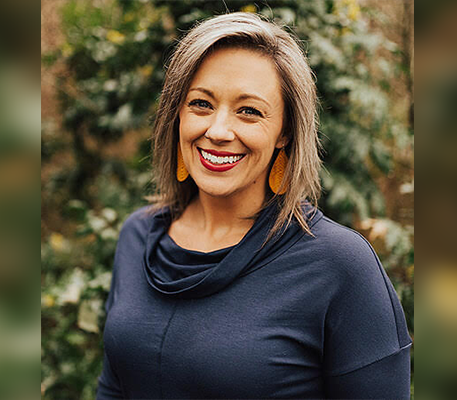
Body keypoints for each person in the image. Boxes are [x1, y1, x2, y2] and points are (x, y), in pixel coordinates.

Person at [96, 12, 411, 399]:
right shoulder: (138, 235)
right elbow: (114, 388)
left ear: (285, 133)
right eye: (201, 104)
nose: (218, 131)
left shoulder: (341, 266)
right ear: (176, 114)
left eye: (249, 111)